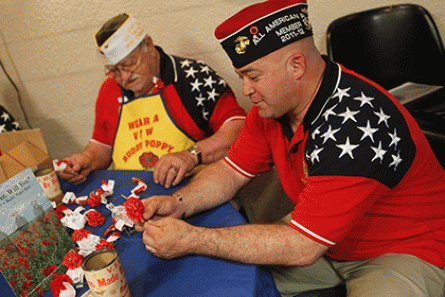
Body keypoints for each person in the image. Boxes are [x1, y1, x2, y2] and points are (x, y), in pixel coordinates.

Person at [135, 0, 445, 296]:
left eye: (253, 76)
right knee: (217, 279)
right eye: (242, 76)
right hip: (323, 236)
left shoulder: (356, 125)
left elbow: (301, 246)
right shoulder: (270, 108)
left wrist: (193, 238)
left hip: (403, 248)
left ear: (296, 66)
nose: (246, 90)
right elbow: (231, 171)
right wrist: (179, 202)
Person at [58, 14, 246, 188]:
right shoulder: (110, 89)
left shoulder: (193, 77)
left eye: (130, 63)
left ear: (149, 45)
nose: (124, 77)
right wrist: (87, 159)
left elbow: (239, 129)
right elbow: (102, 145)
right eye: (114, 70)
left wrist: (191, 155)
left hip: (193, 191)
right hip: (129, 196)